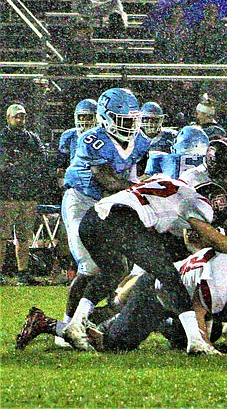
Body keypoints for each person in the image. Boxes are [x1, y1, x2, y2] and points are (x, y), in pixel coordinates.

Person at [61, 174, 227, 353]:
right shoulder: (197, 203)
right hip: (120, 219)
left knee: (115, 271)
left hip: (93, 218)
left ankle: (75, 323)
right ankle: (196, 342)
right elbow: (217, 241)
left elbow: (147, 187)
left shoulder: (173, 184)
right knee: (169, 276)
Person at [59, 88, 151, 348]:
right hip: (82, 200)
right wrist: (142, 190)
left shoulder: (141, 142)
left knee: (118, 266)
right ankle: (68, 325)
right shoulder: (92, 139)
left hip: (109, 205)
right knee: (90, 266)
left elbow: (131, 175)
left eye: (134, 120)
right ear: (107, 118)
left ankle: (91, 320)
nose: (131, 126)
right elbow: (107, 179)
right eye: (125, 120)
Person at [0, 104, 50, 284]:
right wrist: (22, 166)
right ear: (8, 118)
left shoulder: (32, 138)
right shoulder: (3, 138)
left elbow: (42, 161)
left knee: (24, 237)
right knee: (2, 236)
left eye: (22, 117)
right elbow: (4, 166)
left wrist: (18, 165)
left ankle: (23, 272)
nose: (20, 120)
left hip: (28, 194)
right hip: (6, 194)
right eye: (16, 117)